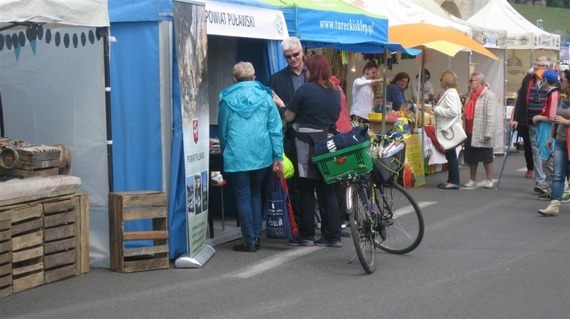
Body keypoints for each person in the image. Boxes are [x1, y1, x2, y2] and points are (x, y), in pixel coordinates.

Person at [277, 55, 343, 247]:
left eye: (307, 69)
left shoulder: (305, 90)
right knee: (327, 190)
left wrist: (281, 106)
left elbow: (289, 117)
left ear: (312, 71)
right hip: (328, 144)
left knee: (305, 190)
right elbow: (335, 116)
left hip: (305, 145)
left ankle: (306, 235)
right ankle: (333, 236)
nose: (305, 72)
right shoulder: (335, 91)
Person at [218, 62, 284, 252]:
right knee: (255, 193)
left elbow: (223, 130)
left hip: (237, 153)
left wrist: (225, 149)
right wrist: (277, 155)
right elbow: (275, 129)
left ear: (235, 79)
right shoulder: (266, 97)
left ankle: (249, 241)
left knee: (242, 196)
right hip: (262, 154)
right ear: (254, 77)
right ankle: (255, 236)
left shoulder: (227, 100)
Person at [268, 36, 306, 227]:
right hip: (290, 136)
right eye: (288, 56)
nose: (292, 58)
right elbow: (274, 113)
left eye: (295, 54)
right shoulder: (276, 79)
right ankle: (298, 223)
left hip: (313, 136)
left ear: (302, 52)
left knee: (315, 182)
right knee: (295, 183)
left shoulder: (314, 74)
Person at [509, 56, 551, 191]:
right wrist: (515, 118)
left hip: (547, 122)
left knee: (548, 151)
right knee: (536, 151)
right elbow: (521, 99)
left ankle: (551, 180)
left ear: (548, 68)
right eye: (538, 65)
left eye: (543, 66)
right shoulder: (528, 79)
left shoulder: (552, 81)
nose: (539, 68)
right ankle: (541, 182)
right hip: (531, 121)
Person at [539, 69, 570, 216]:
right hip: (560, 141)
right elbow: (555, 118)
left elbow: (561, 119)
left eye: (562, 80)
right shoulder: (562, 97)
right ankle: (554, 205)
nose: (560, 82)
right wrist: (551, 136)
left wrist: (566, 121)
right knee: (558, 174)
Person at [462, 72, 496, 189]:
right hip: (470, 128)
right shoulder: (471, 95)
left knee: (486, 156)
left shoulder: (489, 95)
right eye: (470, 80)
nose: (470, 83)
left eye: (472, 81)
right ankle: (472, 179)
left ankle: (489, 179)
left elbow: (491, 115)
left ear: (480, 82)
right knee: (472, 157)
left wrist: (489, 132)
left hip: (482, 129)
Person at [431, 71, 462, 190]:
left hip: (448, 128)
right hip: (448, 127)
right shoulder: (450, 93)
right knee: (450, 154)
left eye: (441, 79)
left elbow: (453, 111)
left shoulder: (450, 94)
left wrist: (437, 109)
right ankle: (451, 179)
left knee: (451, 154)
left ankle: (454, 180)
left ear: (446, 80)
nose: (439, 81)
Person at [532, 69, 560, 200]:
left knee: (550, 161)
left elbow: (553, 116)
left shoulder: (554, 94)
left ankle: (562, 190)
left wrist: (539, 117)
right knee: (545, 162)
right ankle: (550, 188)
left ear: (546, 80)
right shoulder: (550, 93)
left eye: (542, 79)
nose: (541, 81)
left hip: (549, 130)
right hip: (544, 129)